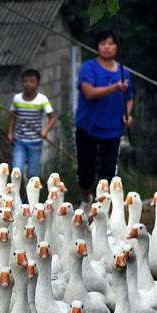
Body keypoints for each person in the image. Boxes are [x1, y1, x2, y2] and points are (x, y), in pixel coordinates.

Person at [75, 30, 133, 208]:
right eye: (102, 43)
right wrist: (115, 87)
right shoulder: (88, 67)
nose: (106, 47)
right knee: (85, 173)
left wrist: (127, 114)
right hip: (88, 128)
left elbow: (129, 98)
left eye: (110, 43)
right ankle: (86, 199)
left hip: (113, 130)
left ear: (116, 47)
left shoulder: (124, 72)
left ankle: (103, 208)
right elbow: (89, 93)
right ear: (97, 47)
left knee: (108, 172)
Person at [8, 68, 56, 183]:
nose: (28, 84)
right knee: (16, 171)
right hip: (19, 141)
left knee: (32, 174)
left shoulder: (42, 99)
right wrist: (10, 132)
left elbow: (52, 118)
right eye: (25, 81)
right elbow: (12, 116)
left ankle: (31, 200)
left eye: (31, 81)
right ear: (22, 82)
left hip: (35, 142)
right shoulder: (17, 99)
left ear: (37, 83)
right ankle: (16, 197)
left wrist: (45, 131)